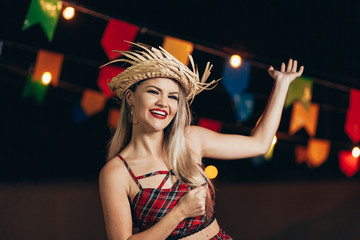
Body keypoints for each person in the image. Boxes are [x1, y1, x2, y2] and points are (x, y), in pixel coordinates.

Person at [99, 42, 304, 240]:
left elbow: (260, 144)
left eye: (173, 97)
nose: (163, 103)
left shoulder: (191, 140)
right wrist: (179, 212)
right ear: (130, 97)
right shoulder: (116, 173)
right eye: (154, 92)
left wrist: (281, 85)